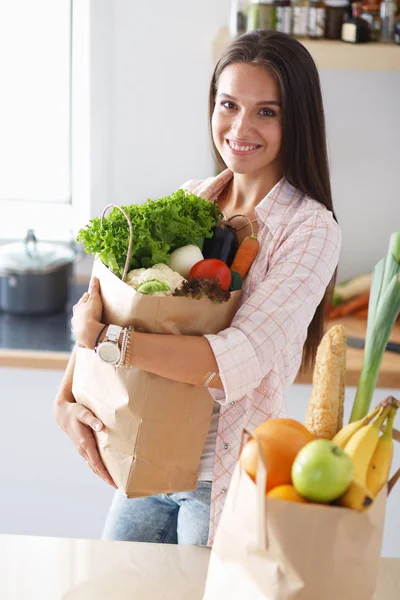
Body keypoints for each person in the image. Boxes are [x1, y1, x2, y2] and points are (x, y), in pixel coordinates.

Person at [53, 29, 342, 547]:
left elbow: (240, 358)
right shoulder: (192, 199)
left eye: (266, 112)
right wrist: (64, 398)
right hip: (144, 457)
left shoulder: (310, 229)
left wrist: (106, 342)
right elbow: (114, 303)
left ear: (297, 119)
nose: (240, 127)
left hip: (222, 477)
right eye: (228, 104)